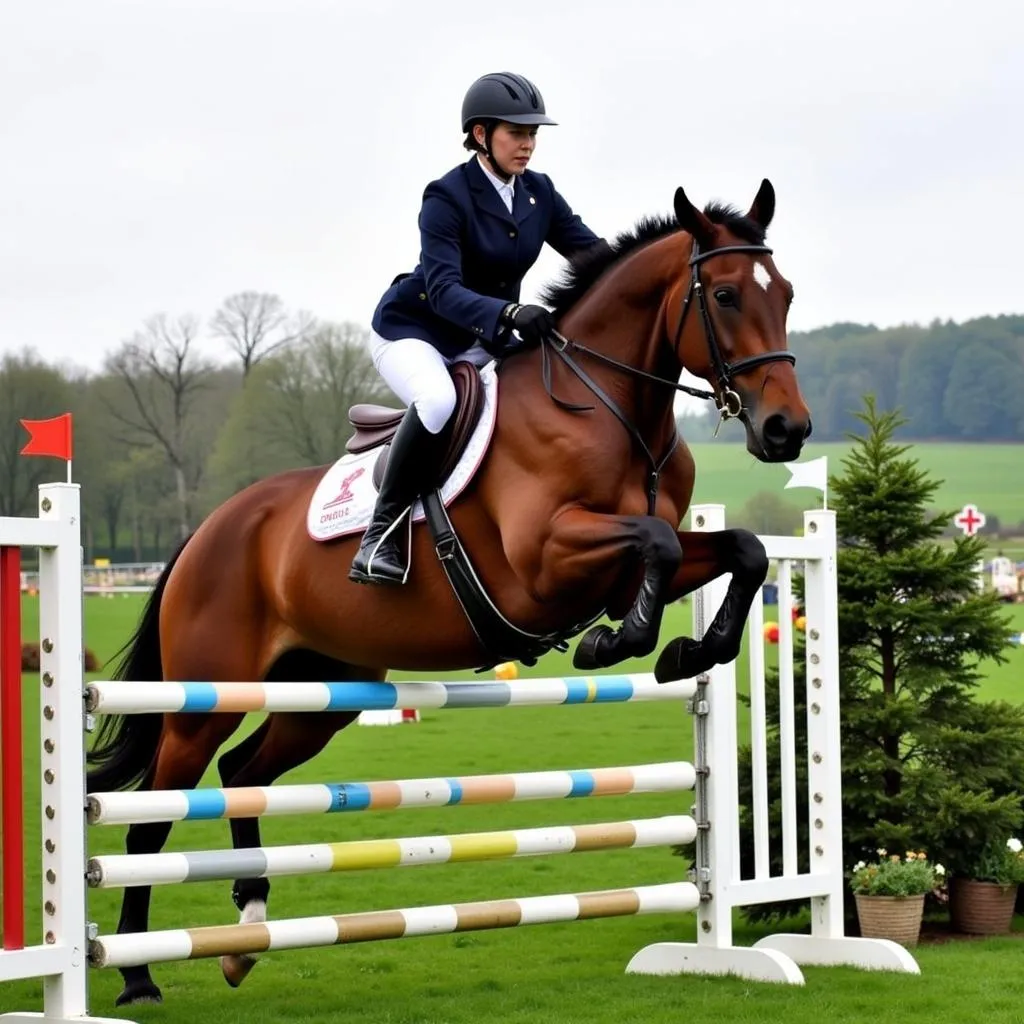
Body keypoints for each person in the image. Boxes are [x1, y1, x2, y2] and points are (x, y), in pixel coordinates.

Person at [350, 71, 602, 585]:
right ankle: (380, 534)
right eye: (517, 132)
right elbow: (443, 290)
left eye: (534, 134)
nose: (528, 145)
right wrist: (509, 313)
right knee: (438, 401)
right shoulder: (446, 196)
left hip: (481, 339)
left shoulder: (539, 194)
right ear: (482, 135)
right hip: (415, 331)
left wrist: (661, 261)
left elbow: (594, 257)